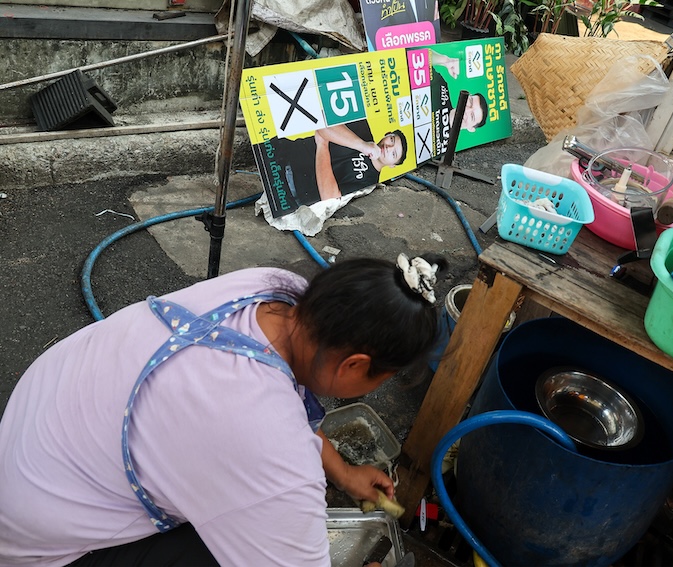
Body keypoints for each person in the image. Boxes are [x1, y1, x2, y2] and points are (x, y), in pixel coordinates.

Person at [0, 253, 446, 566]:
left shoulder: (273, 290)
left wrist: (342, 471)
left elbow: (274, 409)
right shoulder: (267, 443)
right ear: (355, 366)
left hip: (34, 443)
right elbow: (265, 436)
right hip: (41, 548)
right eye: (381, 379)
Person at [273, 120, 408, 208]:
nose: (388, 148)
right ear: (387, 134)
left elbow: (329, 198)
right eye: (391, 140)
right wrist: (362, 145)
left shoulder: (369, 184)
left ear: (392, 165)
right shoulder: (361, 127)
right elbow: (321, 122)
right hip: (282, 151)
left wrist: (322, 145)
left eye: (394, 154)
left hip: (288, 191)